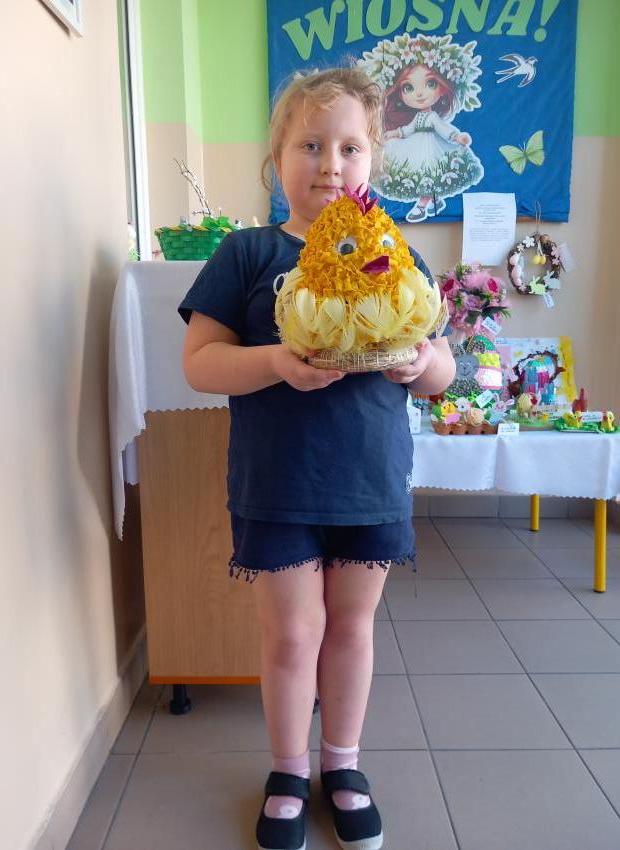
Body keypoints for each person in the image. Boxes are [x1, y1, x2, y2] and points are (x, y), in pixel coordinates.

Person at [179, 67, 455, 850]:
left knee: (352, 629)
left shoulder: (395, 255)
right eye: (309, 145)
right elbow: (199, 363)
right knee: (293, 634)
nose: (330, 164)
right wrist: (276, 362)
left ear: (373, 161)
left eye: (350, 148)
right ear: (277, 158)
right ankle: (288, 771)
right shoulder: (249, 252)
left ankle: (344, 765)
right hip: (278, 482)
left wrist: (419, 364)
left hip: (370, 479)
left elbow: (442, 367)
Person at [359, 34, 483, 223]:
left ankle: (422, 206)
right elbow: (408, 129)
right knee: (425, 176)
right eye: (408, 87)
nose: (419, 94)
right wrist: (393, 133)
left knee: (429, 175)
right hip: (416, 147)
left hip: (433, 149)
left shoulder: (432, 117)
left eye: (430, 84)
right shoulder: (418, 117)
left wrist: (457, 137)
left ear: (443, 88)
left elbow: (443, 130)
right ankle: (434, 201)